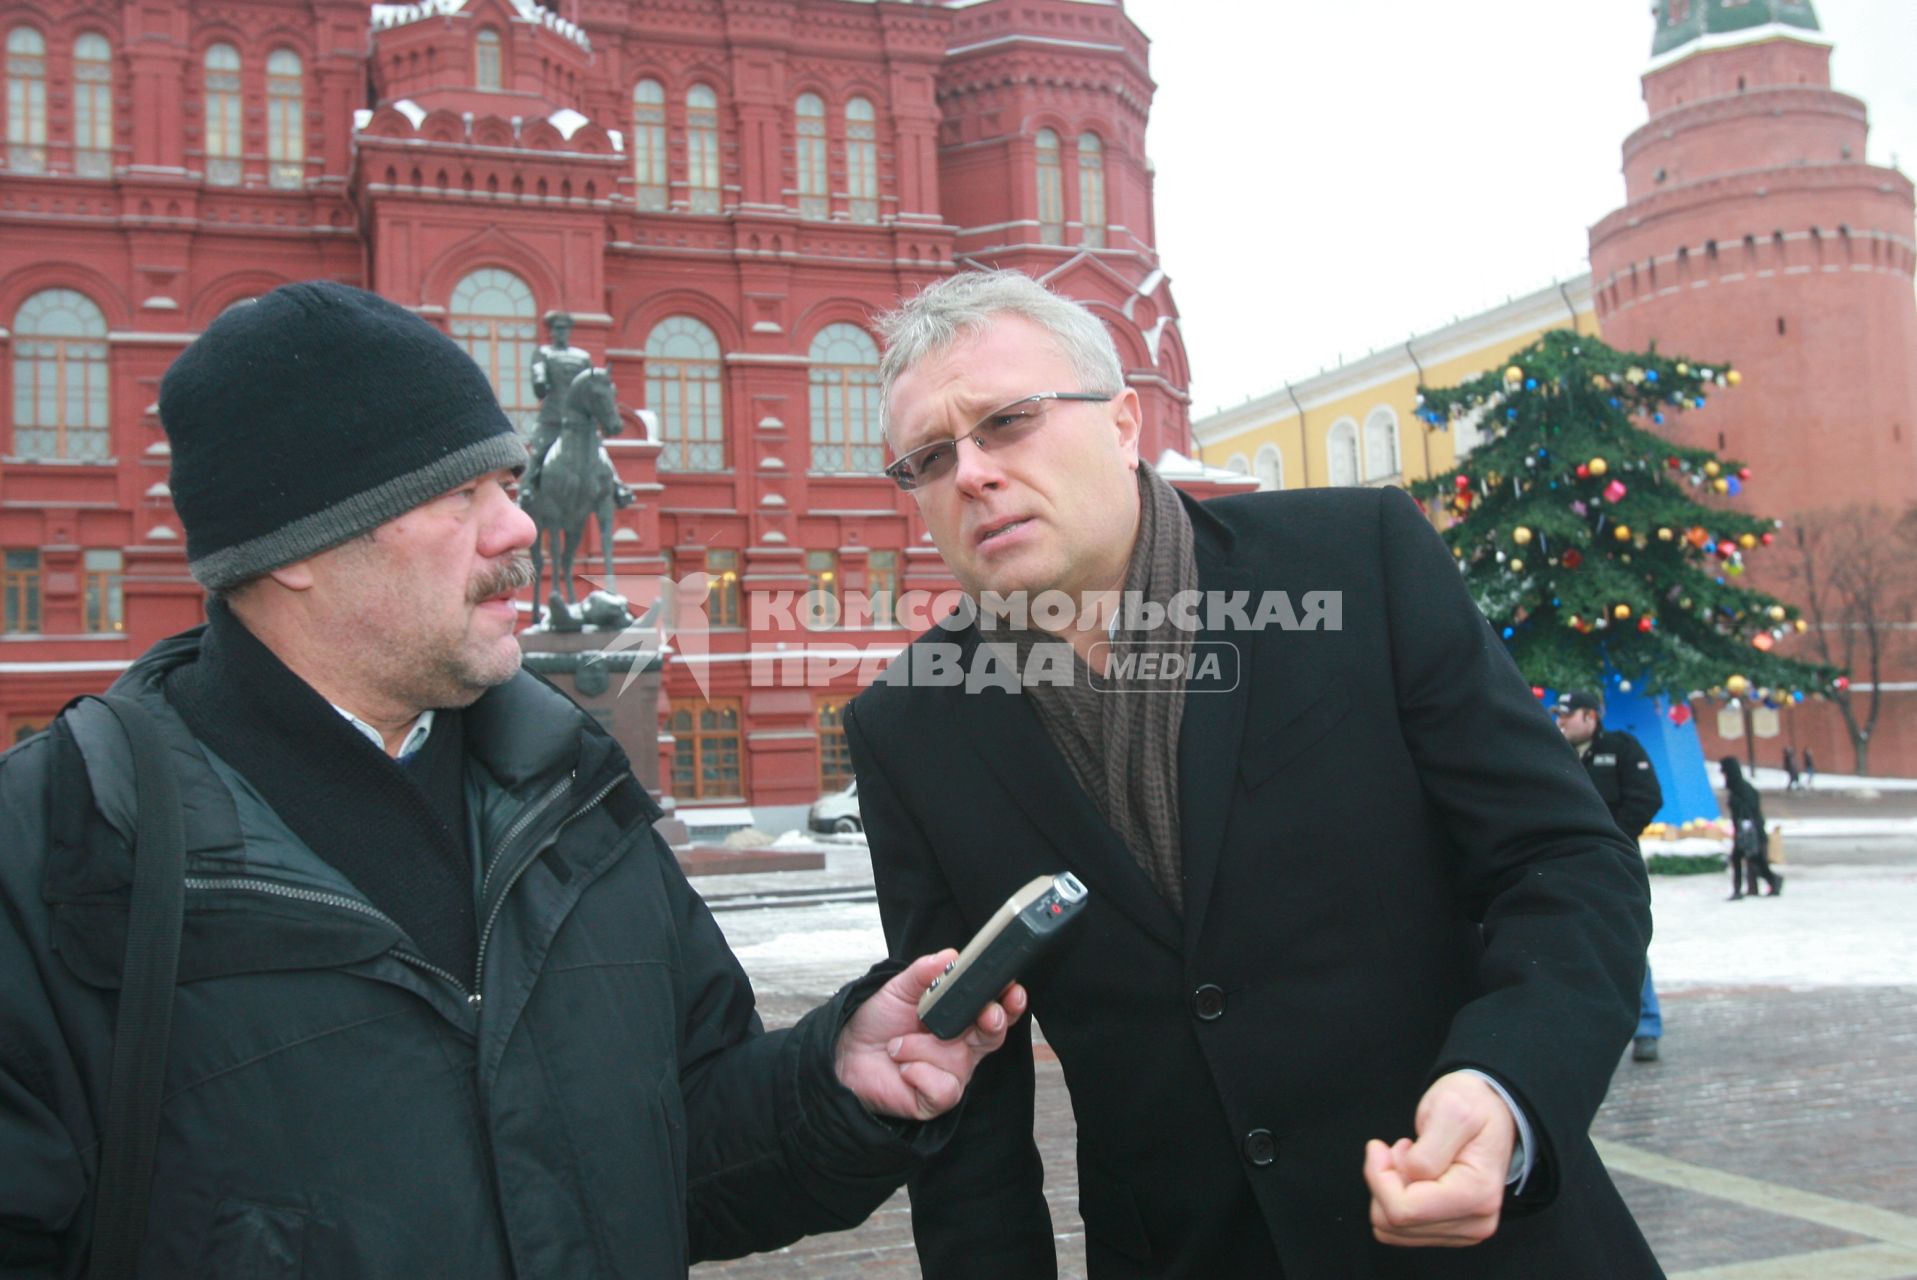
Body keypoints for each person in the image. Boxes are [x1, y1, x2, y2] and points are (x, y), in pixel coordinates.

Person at [0, 282, 1022, 1278]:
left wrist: (837, 1081)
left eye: (507, 481)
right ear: (297, 548)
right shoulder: (59, 847)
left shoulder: (580, 801)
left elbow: (683, 1147)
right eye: (461, 494)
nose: (523, 527)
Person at [848, 269, 1659, 1277]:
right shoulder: (909, 726)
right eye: (928, 456)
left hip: (1487, 1238)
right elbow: (961, 1077)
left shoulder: (1354, 562)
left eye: (1008, 421)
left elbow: (1566, 861)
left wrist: (1505, 1085)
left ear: (1122, 421)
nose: (970, 471)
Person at [1554, 691, 1666, 1063]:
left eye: (1568, 715)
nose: (1561, 721)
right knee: (1568, 944)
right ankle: (1580, 1032)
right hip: (1568, 866)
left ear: (1590, 716)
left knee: (1626, 942)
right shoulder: (1554, 752)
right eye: (1558, 714)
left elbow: (1647, 798)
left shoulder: (1621, 748)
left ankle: (1646, 1027)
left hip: (1616, 865)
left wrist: (1610, 840)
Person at [1721, 756, 1783, 899]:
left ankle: (1772, 880)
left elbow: (1749, 810)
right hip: (1745, 831)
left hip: (1751, 832)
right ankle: (1770, 881)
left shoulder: (1742, 789)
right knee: (1743, 859)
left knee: (1755, 860)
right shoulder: (1738, 788)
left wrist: (1745, 824)